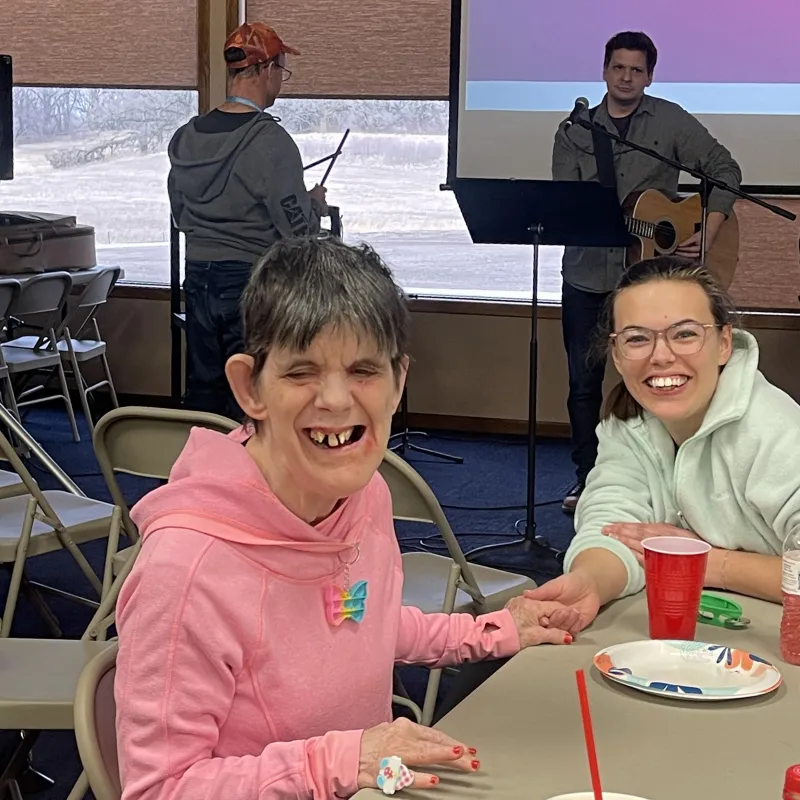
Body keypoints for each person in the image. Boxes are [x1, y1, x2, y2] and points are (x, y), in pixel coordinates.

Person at [114, 236, 578, 800]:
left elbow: (354, 622)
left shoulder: (364, 496)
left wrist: (490, 631)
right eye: (300, 372)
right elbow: (160, 789)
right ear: (248, 388)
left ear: (398, 380)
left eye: (363, 369)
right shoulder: (186, 572)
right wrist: (342, 760)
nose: (335, 399)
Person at [526, 255, 796, 633]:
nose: (662, 356)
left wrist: (700, 561)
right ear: (617, 355)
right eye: (637, 338)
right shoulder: (627, 424)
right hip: (702, 624)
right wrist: (590, 581)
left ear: (723, 343)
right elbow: (613, 525)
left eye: (685, 334)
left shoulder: (776, 429)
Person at [552, 30, 742, 513]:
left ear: (649, 76)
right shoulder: (575, 131)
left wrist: (709, 231)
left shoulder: (670, 121)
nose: (627, 77)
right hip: (587, 275)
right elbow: (568, 204)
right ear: (604, 71)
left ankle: (665, 483)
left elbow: (725, 169)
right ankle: (588, 479)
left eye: (637, 70)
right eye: (619, 67)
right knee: (583, 385)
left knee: (659, 377)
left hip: (650, 283)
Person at [168, 21, 329, 420]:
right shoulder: (270, 141)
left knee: (205, 387)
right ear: (268, 69)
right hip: (249, 282)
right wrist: (312, 205)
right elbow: (300, 234)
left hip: (198, 276)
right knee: (252, 391)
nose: (282, 82)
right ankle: (250, 480)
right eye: (283, 72)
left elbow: (180, 212)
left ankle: (202, 475)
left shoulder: (186, 136)